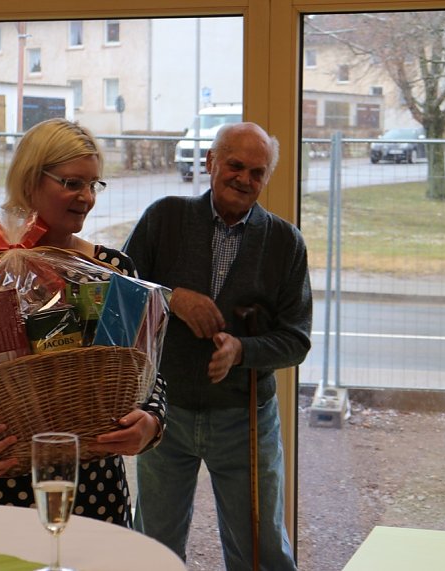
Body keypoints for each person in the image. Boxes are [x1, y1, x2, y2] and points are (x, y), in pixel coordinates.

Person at [0, 117, 166, 527]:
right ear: (30, 182)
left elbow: (151, 374)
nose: (86, 197)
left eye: (93, 184)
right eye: (71, 183)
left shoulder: (113, 272)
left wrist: (151, 424)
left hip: (88, 493)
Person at [124, 122, 312, 568]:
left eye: (257, 172)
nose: (244, 179)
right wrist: (173, 298)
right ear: (209, 162)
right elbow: (121, 291)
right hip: (164, 414)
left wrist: (242, 351)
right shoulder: (164, 218)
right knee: (153, 547)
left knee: (261, 550)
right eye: (235, 165)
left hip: (245, 419)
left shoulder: (285, 243)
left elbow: (296, 340)